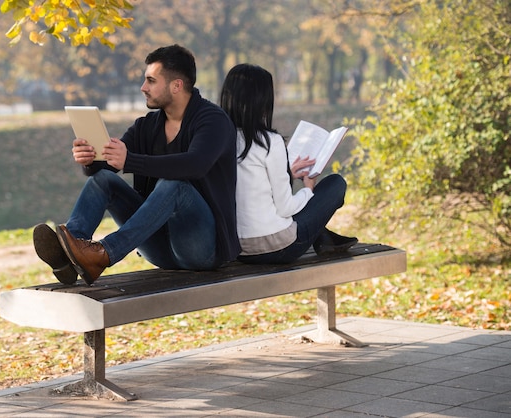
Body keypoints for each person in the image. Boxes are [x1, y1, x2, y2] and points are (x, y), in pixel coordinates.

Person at [34, 44, 240, 285]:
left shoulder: (213, 120)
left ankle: (104, 253)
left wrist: (130, 160)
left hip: (203, 250)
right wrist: (91, 161)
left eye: (151, 81)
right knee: (103, 181)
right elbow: (110, 166)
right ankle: (73, 253)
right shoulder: (146, 126)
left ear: (176, 85)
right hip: (161, 249)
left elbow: (195, 165)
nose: (143, 88)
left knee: (175, 185)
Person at [219, 63, 357, 264]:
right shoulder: (269, 141)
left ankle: (326, 240)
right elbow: (285, 208)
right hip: (276, 248)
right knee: (335, 184)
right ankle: (324, 238)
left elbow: (247, 189)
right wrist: (308, 189)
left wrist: (286, 173)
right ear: (262, 101)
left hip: (236, 249)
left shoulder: (219, 140)